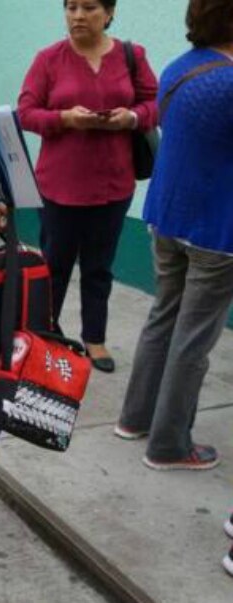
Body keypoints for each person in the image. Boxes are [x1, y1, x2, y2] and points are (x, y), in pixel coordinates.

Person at [115, 0, 233, 475]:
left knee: (163, 317)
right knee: (193, 338)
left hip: (167, 215)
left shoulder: (178, 68)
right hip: (217, 229)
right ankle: (168, 445)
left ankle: (134, 418)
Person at [17, 0, 159, 373]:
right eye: (71, 7)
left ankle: (94, 338)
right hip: (59, 186)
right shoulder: (48, 59)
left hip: (113, 184)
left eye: (90, 7)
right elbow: (26, 113)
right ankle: (46, 336)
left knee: (99, 267)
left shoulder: (132, 55)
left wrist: (131, 118)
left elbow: (155, 103)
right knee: (54, 267)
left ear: (109, 13)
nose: (78, 15)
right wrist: (64, 118)